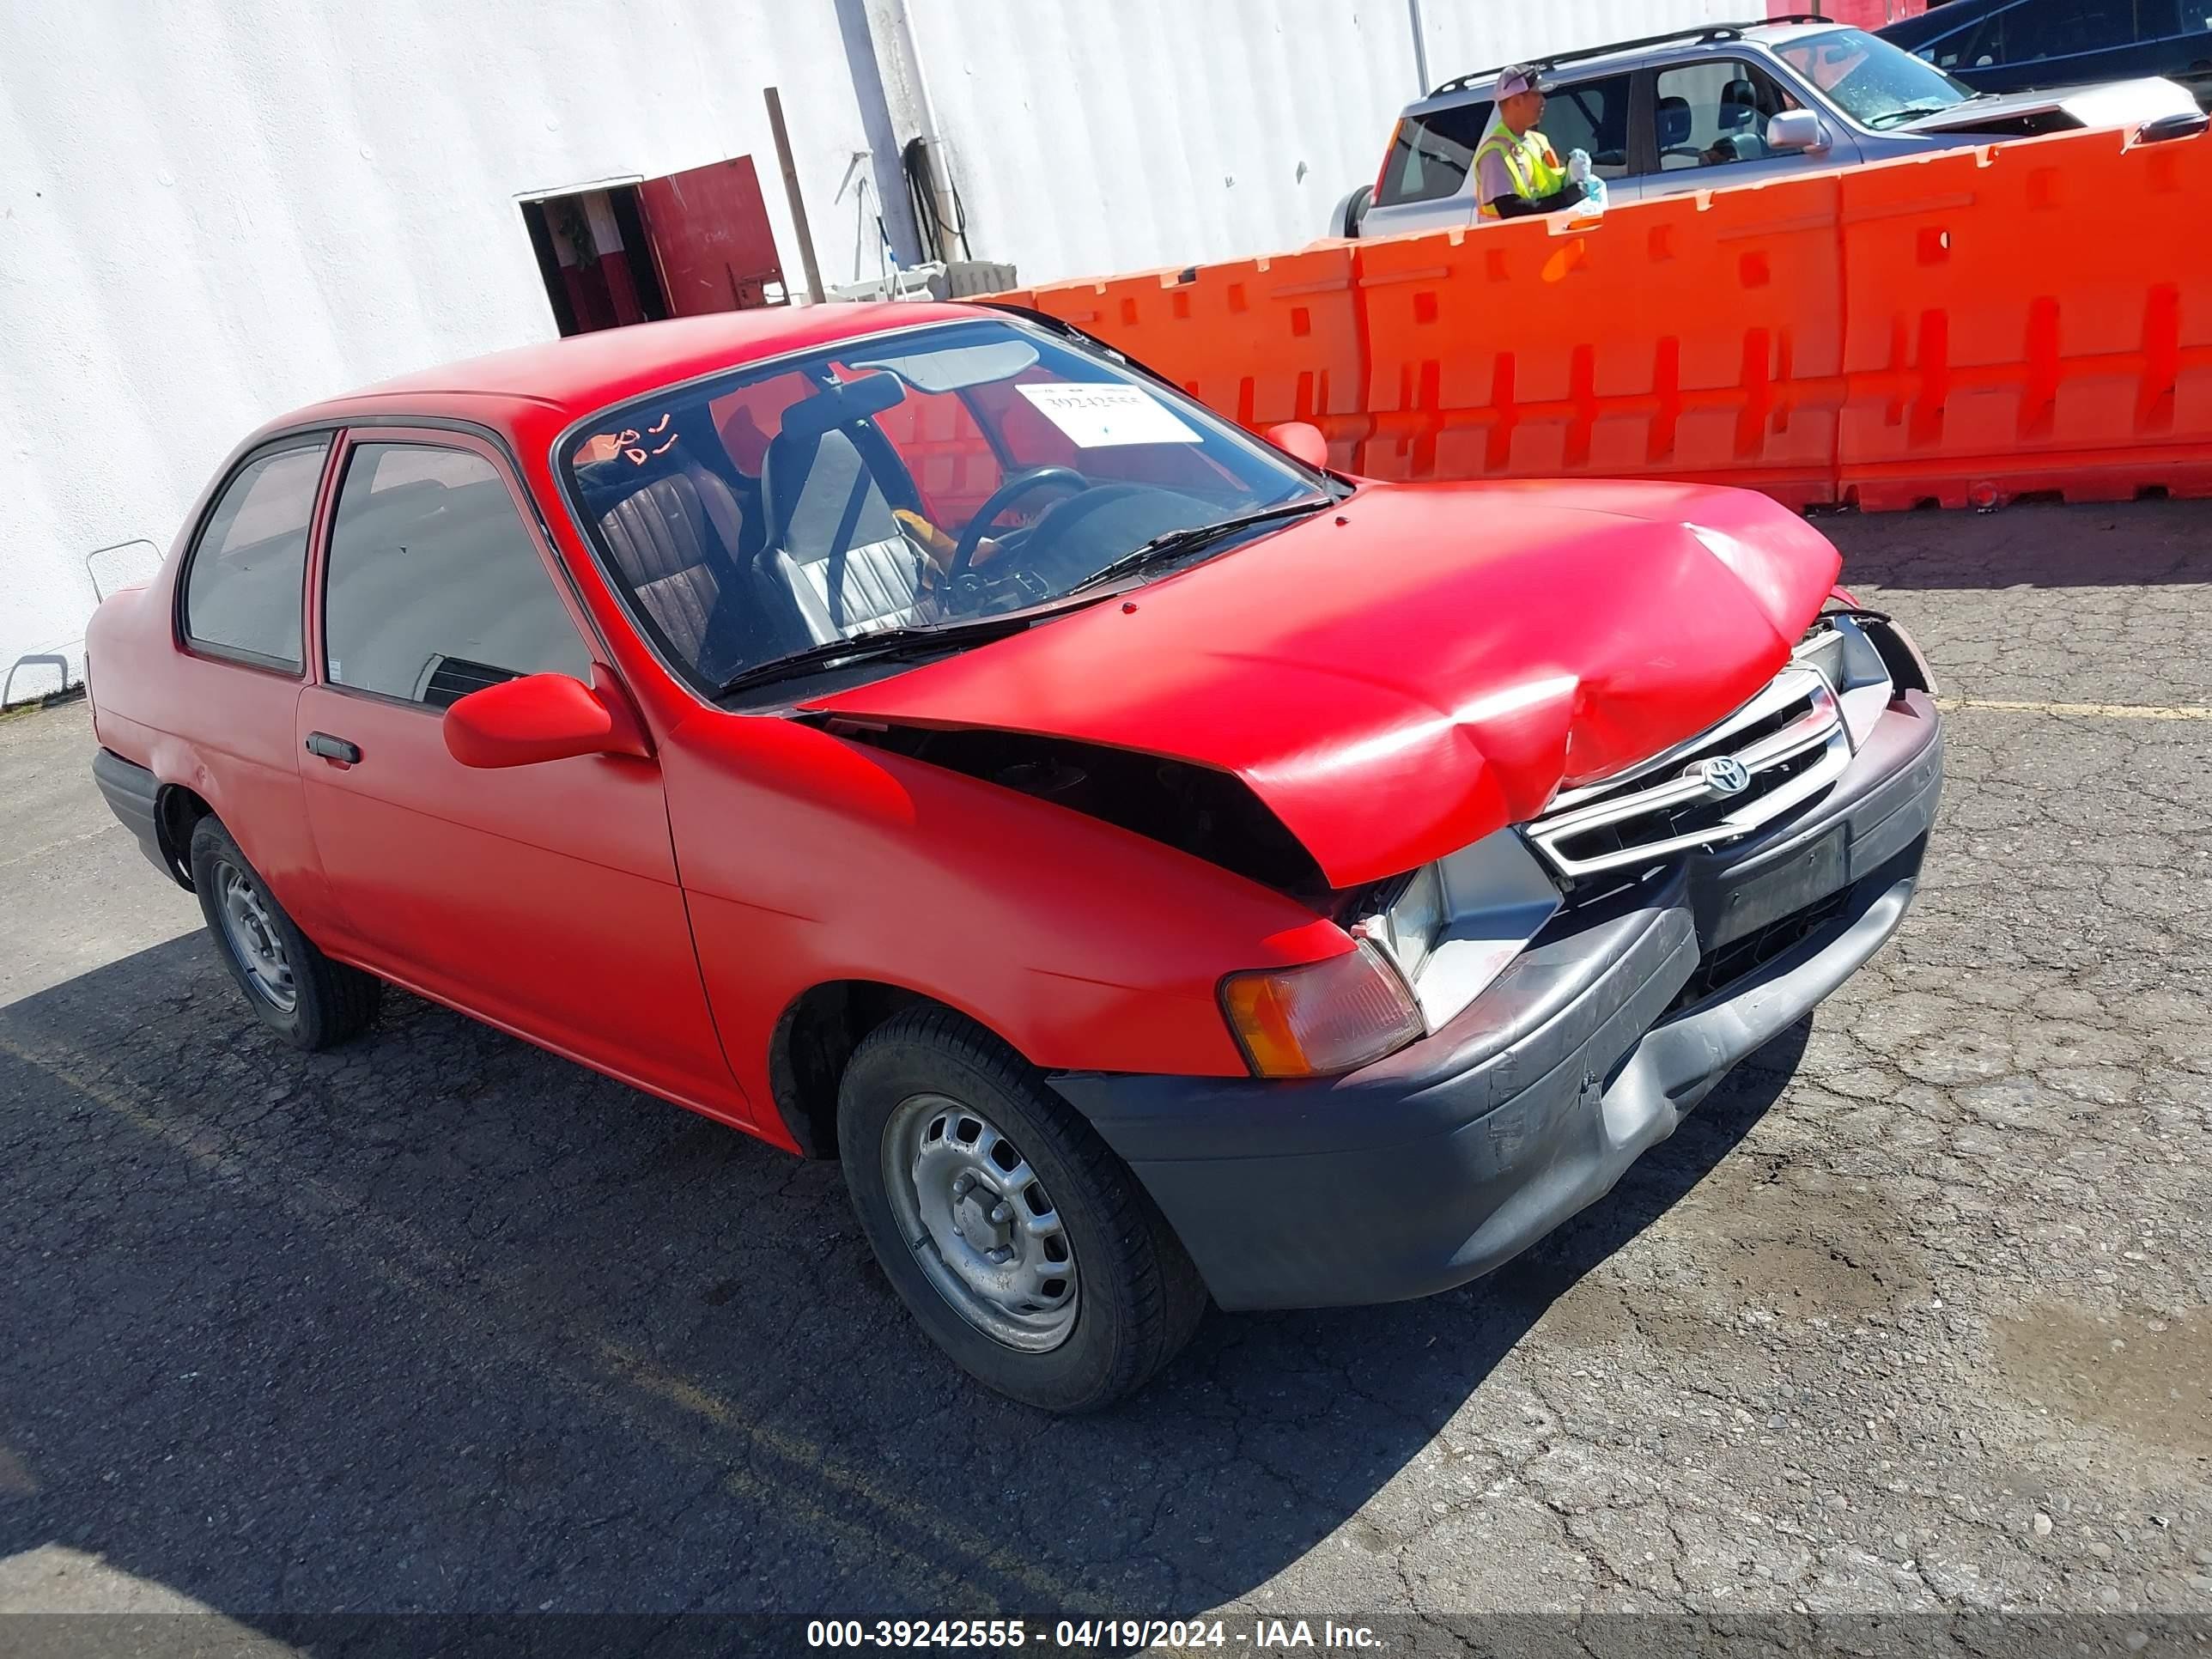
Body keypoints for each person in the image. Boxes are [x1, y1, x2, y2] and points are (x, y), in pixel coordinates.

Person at [1474, 66, 1590, 221]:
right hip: (1512, 243)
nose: (1543, 101)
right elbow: (1511, 209)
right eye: (1537, 95)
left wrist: (1574, 176)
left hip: (1546, 238)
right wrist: (1564, 198)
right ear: (1516, 101)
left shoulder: (1539, 141)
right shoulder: (1494, 153)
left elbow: (1551, 187)